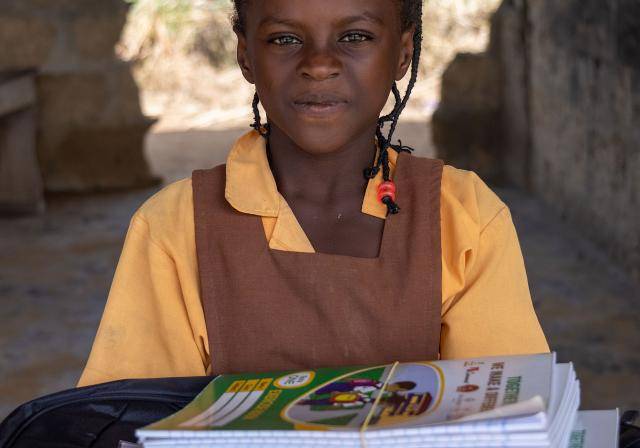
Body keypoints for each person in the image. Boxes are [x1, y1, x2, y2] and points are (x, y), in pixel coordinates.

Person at [78, 0, 548, 387]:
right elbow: (130, 416)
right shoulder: (175, 227)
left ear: (403, 53)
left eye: (355, 37)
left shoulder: (463, 214)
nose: (319, 65)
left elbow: (509, 408)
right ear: (246, 56)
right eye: (285, 39)